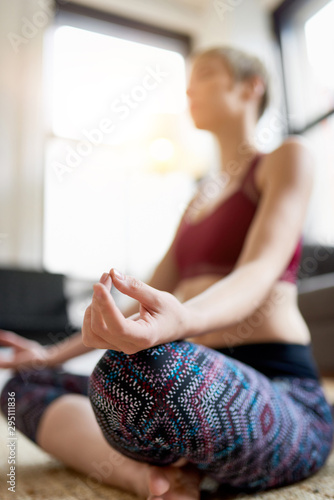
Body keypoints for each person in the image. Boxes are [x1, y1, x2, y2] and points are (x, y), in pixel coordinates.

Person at [1, 46, 333, 500]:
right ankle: (151, 480)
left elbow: (260, 270)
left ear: (251, 86)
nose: (190, 88)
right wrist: (48, 356)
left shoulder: (286, 158)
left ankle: (181, 456)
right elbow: (141, 302)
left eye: (208, 74)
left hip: (280, 389)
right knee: (20, 388)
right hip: (194, 378)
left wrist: (183, 321)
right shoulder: (198, 201)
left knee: (132, 376)